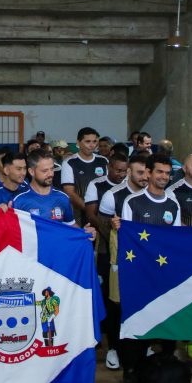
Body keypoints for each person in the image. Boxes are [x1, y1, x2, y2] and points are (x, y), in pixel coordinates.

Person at [113, 154, 181, 383]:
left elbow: (177, 239)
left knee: (166, 317)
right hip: (139, 273)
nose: (163, 176)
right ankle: (131, 368)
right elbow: (127, 239)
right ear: (149, 173)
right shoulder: (133, 202)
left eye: (167, 173)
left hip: (165, 274)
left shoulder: (174, 204)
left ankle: (166, 362)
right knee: (137, 319)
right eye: (159, 172)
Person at [99, 154, 149, 371]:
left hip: (147, 260)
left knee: (143, 302)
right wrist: (114, 230)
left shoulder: (157, 195)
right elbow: (102, 224)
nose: (145, 176)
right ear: (129, 172)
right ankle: (114, 347)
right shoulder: (113, 195)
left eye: (148, 172)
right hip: (118, 258)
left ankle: (142, 344)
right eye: (140, 172)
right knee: (116, 303)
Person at [84, 151, 128, 371]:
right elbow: (93, 215)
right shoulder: (98, 185)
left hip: (127, 252)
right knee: (107, 295)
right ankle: (108, 343)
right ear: (109, 167)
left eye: (124, 170)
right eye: (118, 170)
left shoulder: (131, 189)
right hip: (103, 249)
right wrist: (110, 232)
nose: (121, 174)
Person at [60, 127, 108, 222]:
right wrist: (90, 211)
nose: (92, 145)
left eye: (94, 142)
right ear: (78, 143)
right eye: (88, 141)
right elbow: (69, 192)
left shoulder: (103, 161)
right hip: (79, 214)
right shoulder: (69, 162)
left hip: (103, 213)